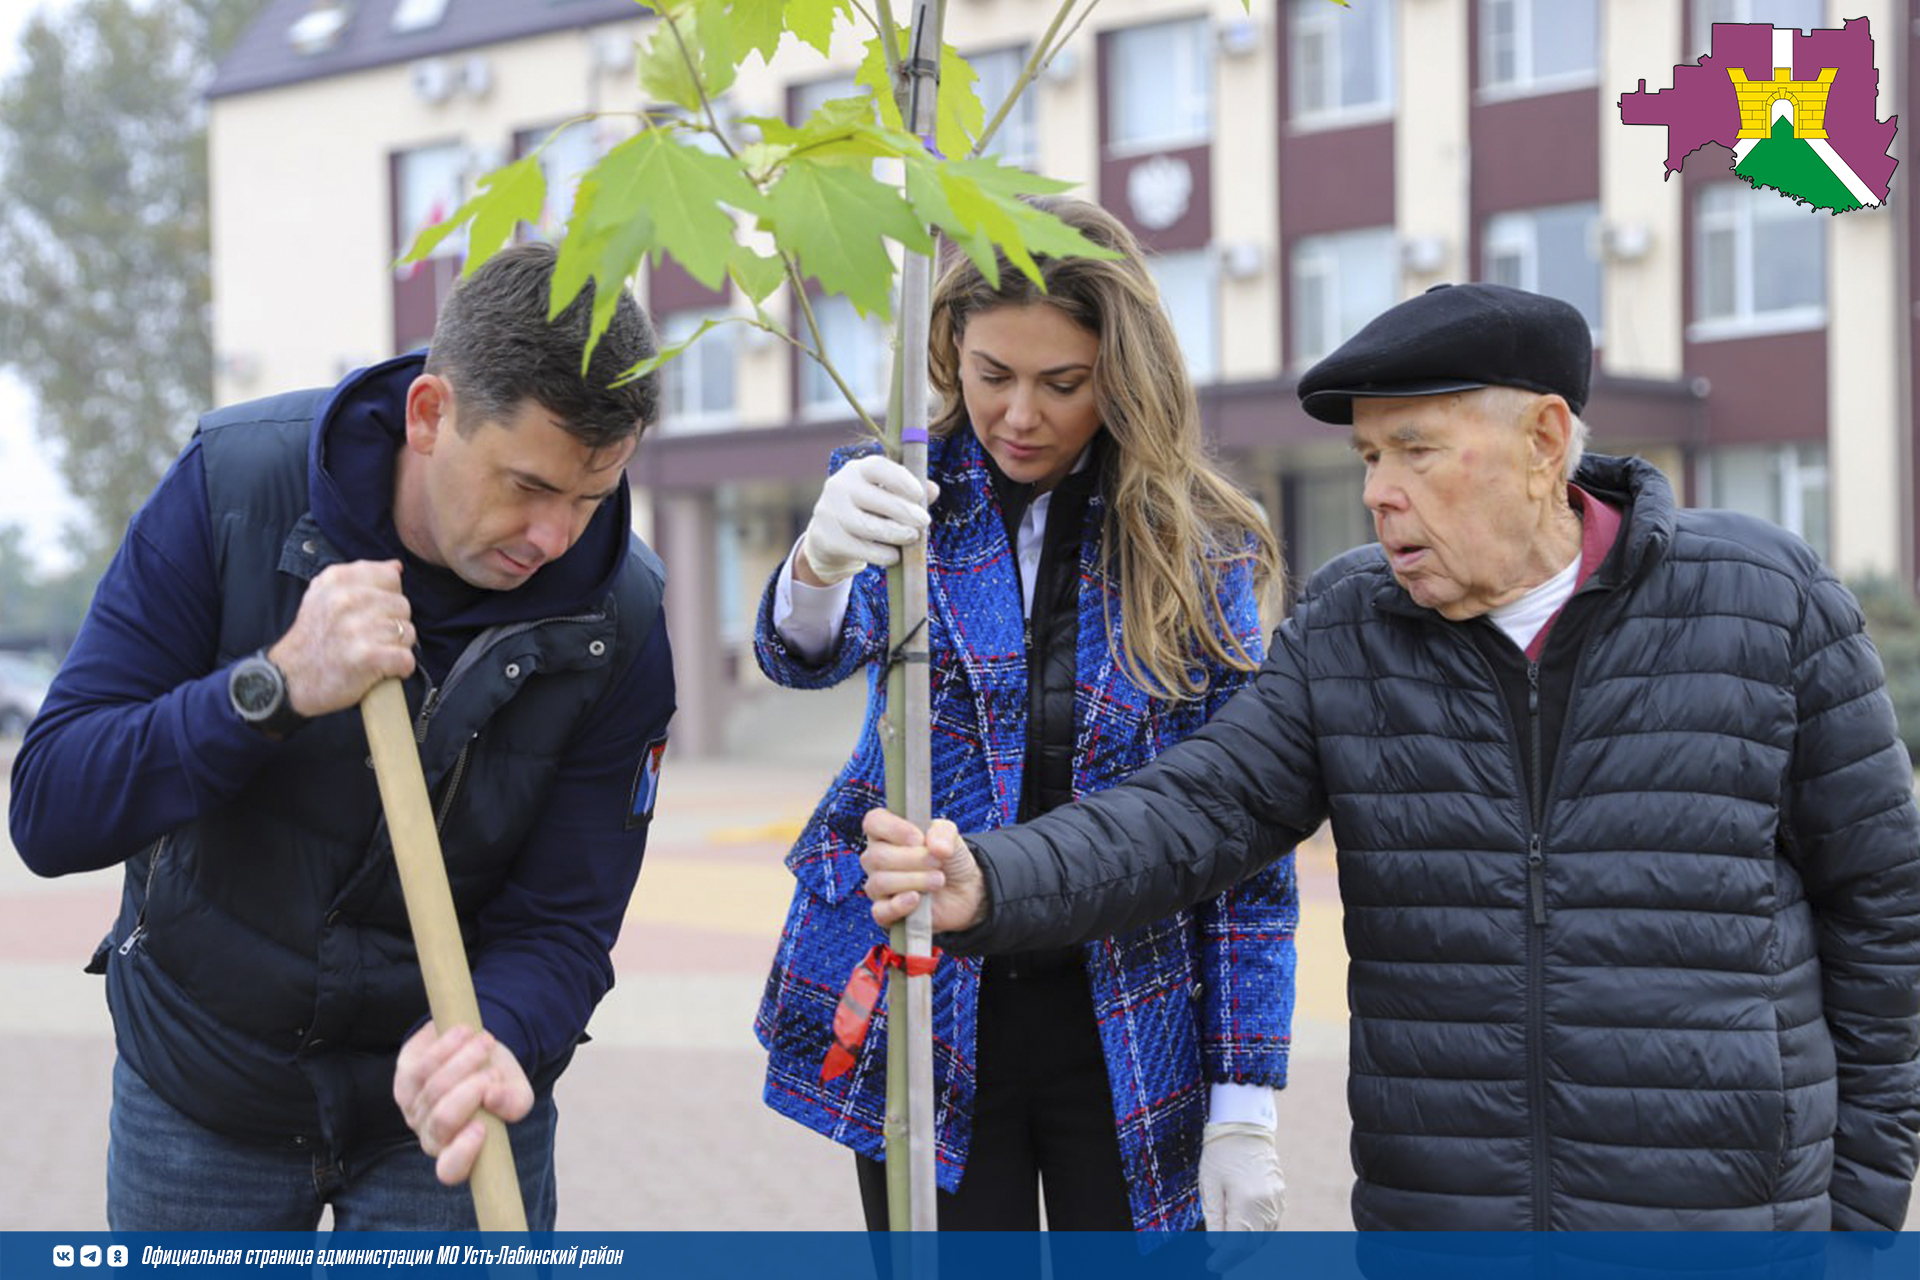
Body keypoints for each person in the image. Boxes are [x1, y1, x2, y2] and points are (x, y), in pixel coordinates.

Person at [860, 282, 1920, 1231]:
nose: (1378, 491)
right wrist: (994, 876)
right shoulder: (1350, 626)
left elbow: (1884, 920)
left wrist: (1863, 1225)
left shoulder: (1765, 600)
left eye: (1415, 449)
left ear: (1547, 440)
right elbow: (1192, 811)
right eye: (1369, 457)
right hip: (1446, 1216)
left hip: (1725, 1224)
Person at [8, 242, 675, 1230]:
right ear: (430, 413)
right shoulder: (232, 486)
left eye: (590, 496)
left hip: (446, 1123)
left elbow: (566, 919)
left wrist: (497, 1037)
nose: (554, 537)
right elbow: (52, 806)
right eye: (528, 485)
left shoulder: (618, 614)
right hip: (204, 1091)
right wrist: (272, 687)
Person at [754, 197, 1297, 1234]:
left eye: (1063, 383)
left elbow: (1244, 828)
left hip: (1132, 1009)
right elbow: (803, 655)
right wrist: (816, 564)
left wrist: (1245, 1099)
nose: (1019, 415)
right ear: (951, 350)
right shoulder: (903, 491)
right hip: (931, 992)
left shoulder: (1202, 542)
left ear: (1123, 372)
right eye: (992, 374)